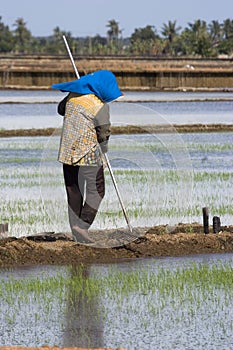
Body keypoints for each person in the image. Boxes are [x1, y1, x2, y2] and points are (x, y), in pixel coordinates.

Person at [52, 70, 123, 244]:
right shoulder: (100, 105)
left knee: (74, 190)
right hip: (88, 153)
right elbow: (103, 133)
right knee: (97, 190)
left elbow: (61, 110)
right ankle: (82, 227)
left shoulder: (72, 97)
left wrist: (76, 89)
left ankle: (76, 229)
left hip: (68, 152)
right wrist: (104, 154)